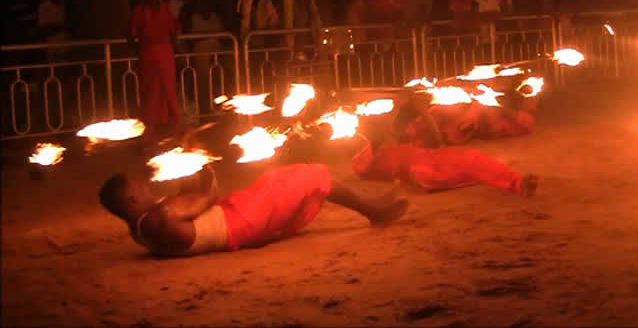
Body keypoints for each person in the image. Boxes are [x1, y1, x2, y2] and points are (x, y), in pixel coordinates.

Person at [99, 164, 409, 257]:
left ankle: (371, 207)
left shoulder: (140, 227)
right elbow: (206, 198)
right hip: (240, 221)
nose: (145, 186)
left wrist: (188, 185)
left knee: (280, 177)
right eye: (137, 187)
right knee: (314, 175)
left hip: (236, 219)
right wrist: (205, 174)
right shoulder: (154, 219)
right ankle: (373, 211)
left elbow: (186, 209)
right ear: (130, 201)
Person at [352, 136, 538, 196]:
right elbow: (364, 167)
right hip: (425, 171)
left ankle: (516, 181)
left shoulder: (396, 145)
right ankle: (517, 183)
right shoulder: (371, 163)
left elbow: (436, 139)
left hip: (436, 158)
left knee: (473, 160)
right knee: (469, 169)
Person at [130, 0, 181, 138]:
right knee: (150, 90)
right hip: (149, 54)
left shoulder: (164, 8)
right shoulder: (139, 11)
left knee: (168, 88)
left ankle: (174, 124)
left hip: (165, 53)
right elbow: (132, 34)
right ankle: (150, 127)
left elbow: (174, 27)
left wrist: (174, 42)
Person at [188, 0, 225, 113]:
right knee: (203, 83)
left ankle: (218, 109)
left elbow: (220, 33)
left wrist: (206, 34)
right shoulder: (194, 18)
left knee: (216, 82)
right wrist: (210, 34)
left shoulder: (215, 17)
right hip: (201, 56)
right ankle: (204, 110)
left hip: (216, 55)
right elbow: (195, 36)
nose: (204, 6)